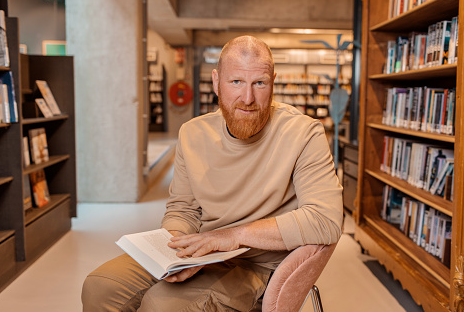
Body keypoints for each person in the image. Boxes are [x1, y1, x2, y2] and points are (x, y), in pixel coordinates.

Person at [82, 35, 343, 312]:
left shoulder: (304, 133)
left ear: (273, 82)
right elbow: (183, 209)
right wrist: (175, 252)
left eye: (260, 83)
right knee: (99, 286)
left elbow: (325, 219)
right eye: (236, 82)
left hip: (255, 264)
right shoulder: (192, 133)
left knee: (162, 306)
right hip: (201, 251)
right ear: (216, 82)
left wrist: (232, 236)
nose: (247, 98)